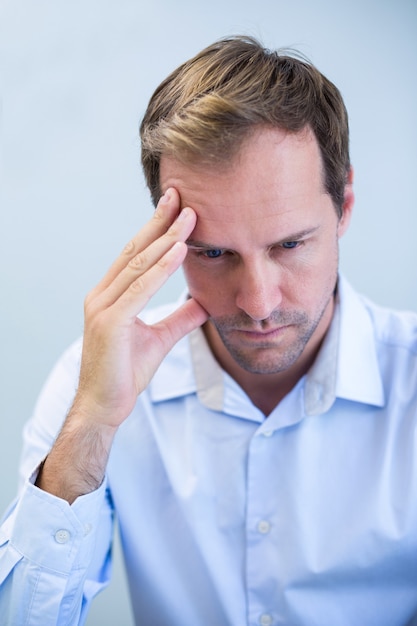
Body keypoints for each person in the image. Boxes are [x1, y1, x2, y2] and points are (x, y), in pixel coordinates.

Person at [1, 35, 417, 626]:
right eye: (215, 253)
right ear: (163, 241)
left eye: (290, 244)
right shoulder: (92, 382)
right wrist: (93, 421)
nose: (258, 302)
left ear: (344, 203)